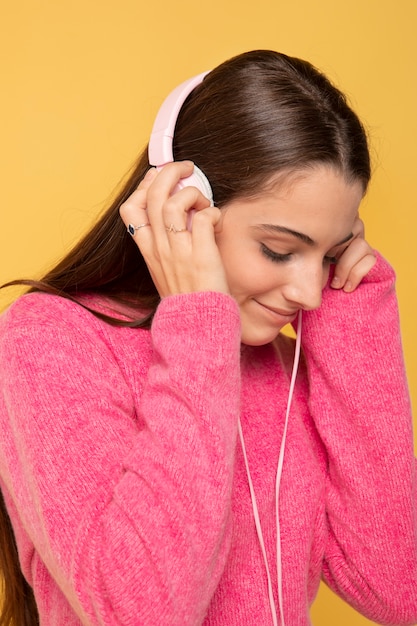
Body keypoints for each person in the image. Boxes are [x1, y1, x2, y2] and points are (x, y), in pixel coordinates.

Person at [0, 49, 416, 626]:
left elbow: (398, 588)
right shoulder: (51, 340)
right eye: (279, 249)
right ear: (187, 205)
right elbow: (140, 613)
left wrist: (355, 310)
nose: (309, 294)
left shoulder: (284, 363)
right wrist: (198, 322)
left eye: (330, 252)